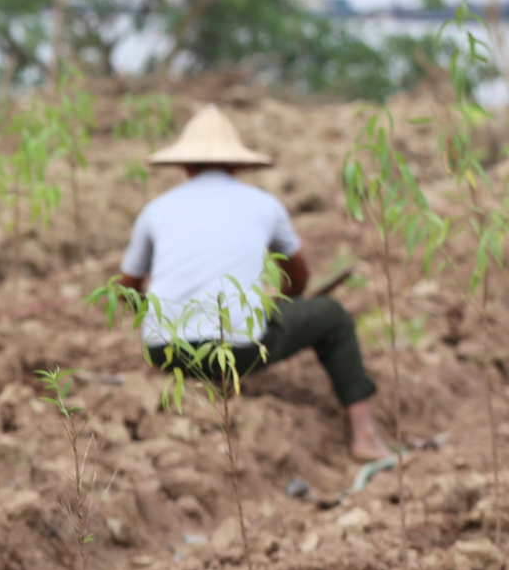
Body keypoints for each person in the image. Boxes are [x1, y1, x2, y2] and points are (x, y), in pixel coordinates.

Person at [116, 103, 390, 462]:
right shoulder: (263, 204)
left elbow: (125, 288)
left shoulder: (156, 208)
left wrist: (157, 317)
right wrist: (280, 305)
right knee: (333, 317)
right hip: (240, 351)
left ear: (184, 165)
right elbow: (298, 276)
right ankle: (365, 436)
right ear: (237, 164)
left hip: (164, 351)